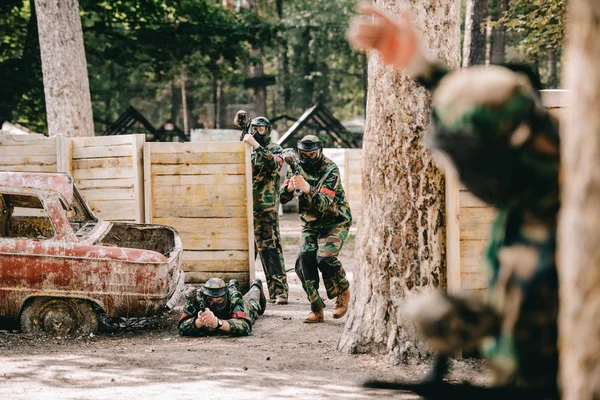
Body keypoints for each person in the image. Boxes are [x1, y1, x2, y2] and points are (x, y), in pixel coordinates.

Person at [347, 3, 560, 397]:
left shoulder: (574, 222)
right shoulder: (533, 197)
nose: (469, 177)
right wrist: (419, 64)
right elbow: (497, 109)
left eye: (473, 161)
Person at [280, 135, 352, 323]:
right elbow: (282, 198)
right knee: (304, 259)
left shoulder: (331, 170)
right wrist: (288, 189)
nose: (309, 158)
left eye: (313, 154)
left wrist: (307, 188)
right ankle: (316, 307)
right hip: (310, 224)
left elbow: (325, 203)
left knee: (325, 258)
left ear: (320, 151)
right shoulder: (296, 168)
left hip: (335, 221)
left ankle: (342, 291)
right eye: (304, 155)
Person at [235, 111, 289, 305]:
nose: (258, 132)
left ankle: (279, 292)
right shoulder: (246, 148)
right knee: (244, 253)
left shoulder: (275, 149)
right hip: (246, 208)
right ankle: (241, 292)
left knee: (270, 250)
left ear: (268, 131)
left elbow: (274, 164)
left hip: (266, 209)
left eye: (262, 129)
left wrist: (255, 145)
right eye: (255, 129)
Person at [179, 278, 266, 337]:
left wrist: (218, 323)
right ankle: (232, 284)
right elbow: (182, 327)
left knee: (252, 300)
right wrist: (200, 321)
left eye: (219, 300)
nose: (215, 304)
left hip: (241, 305)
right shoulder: (197, 299)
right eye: (210, 300)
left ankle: (255, 284)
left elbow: (245, 325)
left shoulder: (234, 298)